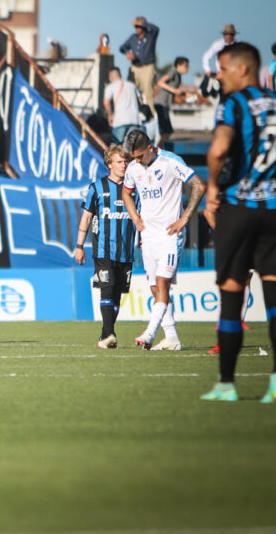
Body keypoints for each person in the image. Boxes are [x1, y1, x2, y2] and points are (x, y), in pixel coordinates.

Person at [200, 42, 276, 403]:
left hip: (238, 207)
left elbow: (218, 149)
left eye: (223, 68)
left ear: (243, 69)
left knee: (232, 294)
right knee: (274, 299)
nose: (218, 75)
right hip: (273, 210)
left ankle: (226, 384)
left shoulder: (233, 103)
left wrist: (214, 187)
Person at [120, 129, 205, 351]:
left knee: (162, 284)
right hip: (148, 236)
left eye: (140, 156)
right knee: (154, 289)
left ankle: (149, 333)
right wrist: (135, 217)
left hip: (170, 235)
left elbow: (199, 185)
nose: (137, 161)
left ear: (150, 148)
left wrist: (185, 218)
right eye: (134, 157)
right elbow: (126, 194)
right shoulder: (134, 168)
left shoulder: (170, 162)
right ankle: (172, 338)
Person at [74, 146, 138, 349]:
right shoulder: (97, 188)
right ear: (109, 164)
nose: (124, 165)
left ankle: (105, 336)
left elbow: (142, 216)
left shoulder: (135, 189)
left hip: (126, 251)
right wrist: (79, 246)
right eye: (119, 162)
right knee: (107, 289)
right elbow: (86, 217)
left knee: (117, 295)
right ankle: (110, 334)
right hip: (103, 250)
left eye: (126, 161)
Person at [118, 16, 159, 118]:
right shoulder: (133, 38)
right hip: (135, 67)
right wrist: (128, 53)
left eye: (138, 26)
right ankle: (132, 113)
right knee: (130, 90)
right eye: (135, 26)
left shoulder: (150, 36)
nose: (136, 28)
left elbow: (156, 29)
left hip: (147, 67)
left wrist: (143, 23)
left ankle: (151, 116)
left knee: (148, 92)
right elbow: (122, 48)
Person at [154, 57, 190, 149]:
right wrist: (174, 90)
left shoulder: (179, 76)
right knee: (168, 131)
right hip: (161, 103)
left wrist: (184, 94)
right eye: (186, 66)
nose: (188, 68)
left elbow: (175, 91)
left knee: (164, 132)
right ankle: (157, 150)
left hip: (165, 105)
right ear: (178, 65)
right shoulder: (173, 72)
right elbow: (160, 82)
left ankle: (158, 149)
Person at [103, 67, 143, 145]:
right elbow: (141, 101)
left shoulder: (110, 87)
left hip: (120, 120)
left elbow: (106, 102)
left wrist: (110, 115)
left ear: (110, 77)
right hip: (135, 120)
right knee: (132, 146)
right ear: (120, 75)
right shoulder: (132, 85)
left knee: (117, 146)